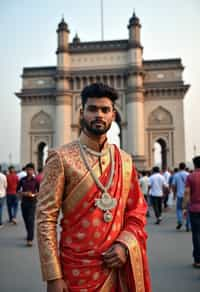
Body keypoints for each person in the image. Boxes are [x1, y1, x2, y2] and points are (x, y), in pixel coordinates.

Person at [37, 83, 151, 292]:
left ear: (113, 114)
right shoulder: (61, 158)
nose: (99, 115)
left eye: (105, 110)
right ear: (81, 113)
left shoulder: (124, 161)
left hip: (115, 266)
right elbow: (46, 218)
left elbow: (137, 211)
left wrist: (124, 245)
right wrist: (53, 275)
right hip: (75, 270)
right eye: (92, 109)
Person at [17, 163, 39, 246]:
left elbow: (40, 192)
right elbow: (17, 191)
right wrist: (23, 193)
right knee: (26, 220)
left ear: (33, 170)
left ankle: (30, 239)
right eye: (28, 169)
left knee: (30, 220)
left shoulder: (36, 180)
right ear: (25, 170)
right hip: (24, 202)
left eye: (31, 169)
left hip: (32, 202)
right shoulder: (22, 180)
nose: (29, 171)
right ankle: (29, 232)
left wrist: (33, 195)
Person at [184, 156, 200, 268]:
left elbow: (187, 193)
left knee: (196, 235)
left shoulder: (191, 177)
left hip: (194, 209)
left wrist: (184, 207)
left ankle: (198, 260)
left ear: (194, 165)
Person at [172, 162, 189, 230]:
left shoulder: (176, 175)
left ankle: (180, 221)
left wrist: (174, 194)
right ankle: (188, 225)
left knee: (179, 209)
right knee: (188, 210)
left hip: (179, 195)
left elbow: (173, 185)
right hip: (187, 195)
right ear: (185, 167)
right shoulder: (188, 174)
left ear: (179, 167)